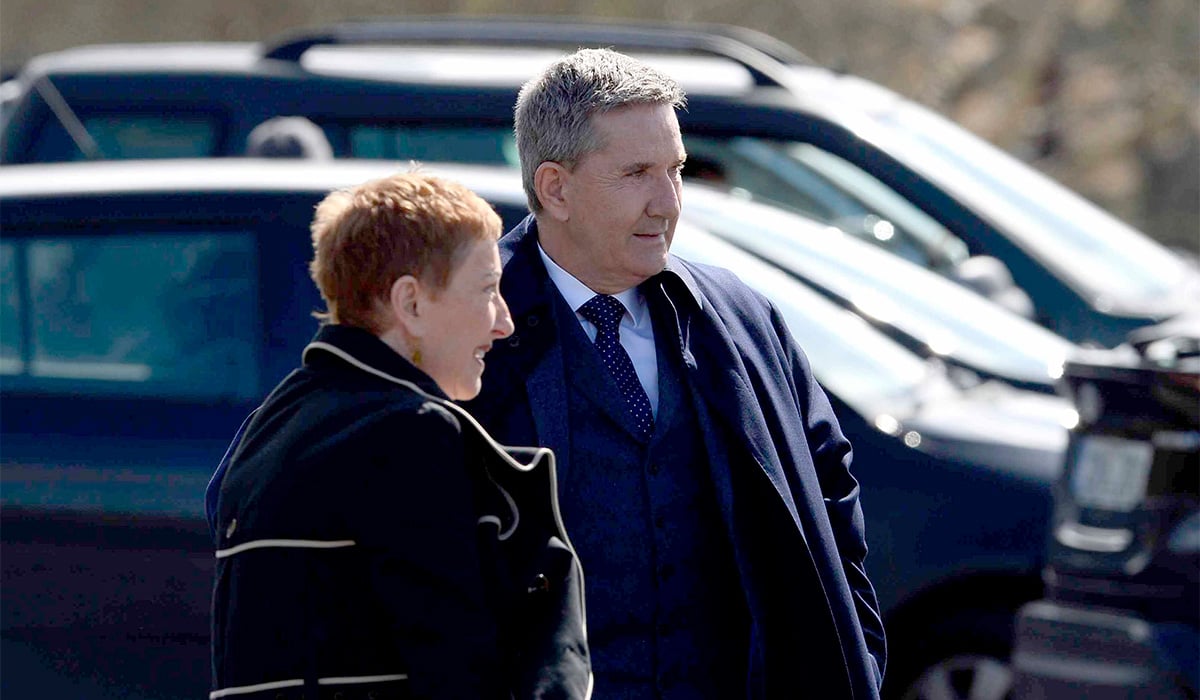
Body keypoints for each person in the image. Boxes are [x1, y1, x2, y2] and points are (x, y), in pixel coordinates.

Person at [462, 49, 886, 698]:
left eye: (676, 171)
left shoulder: (741, 321)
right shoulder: (461, 331)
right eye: (636, 174)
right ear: (555, 188)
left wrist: (854, 662)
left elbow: (830, 501)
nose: (669, 203)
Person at [208, 172, 591, 699]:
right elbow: (455, 671)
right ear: (410, 303)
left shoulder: (268, 430)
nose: (503, 322)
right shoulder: (412, 434)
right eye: (486, 290)